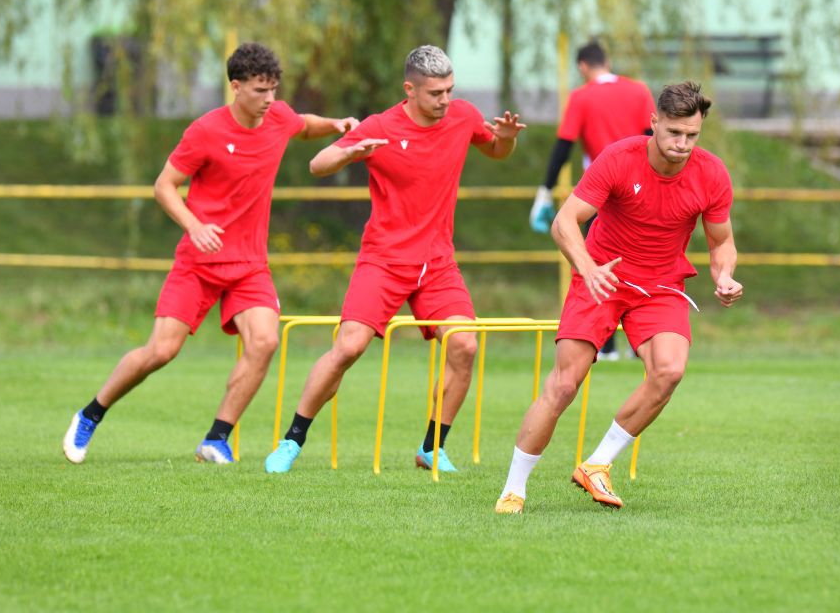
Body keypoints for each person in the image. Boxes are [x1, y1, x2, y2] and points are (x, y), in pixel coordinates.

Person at [62, 42, 359, 465]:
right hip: (199, 264)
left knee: (265, 341)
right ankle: (91, 414)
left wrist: (336, 125)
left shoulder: (277, 117)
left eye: (274, 89)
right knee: (161, 352)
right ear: (235, 87)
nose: (270, 99)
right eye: (260, 90)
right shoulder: (205, 131)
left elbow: (303, 125)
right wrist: (195, 226)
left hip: (249, 265)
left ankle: (216, 439)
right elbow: (164, 186)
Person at [265, 44, 526, 475]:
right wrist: (350, 152)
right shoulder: (380, 126)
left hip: (438, 263)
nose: (445, 100)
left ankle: (432, 447)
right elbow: (317, 163)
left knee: (465, 344)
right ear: (410, 90)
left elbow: (495, 151)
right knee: (348, 347)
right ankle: (292, 440)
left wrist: (508, 141)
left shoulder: (461, 115)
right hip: (384, 261)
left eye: (449, 90)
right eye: (435, 93)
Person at [496, 81, 742, 514]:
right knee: (565, 384)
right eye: (674, 134)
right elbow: (565, 222)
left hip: (662, 285)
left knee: (669, 371)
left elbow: (721, 241)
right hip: (602, 277)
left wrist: (724, 275)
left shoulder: (712, 173)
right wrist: (587, 268)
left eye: (692, 135)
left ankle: (597, 464)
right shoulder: (618, 158)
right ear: (654, 123)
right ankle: (513, 489)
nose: (683, 144)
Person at [529, 40, 655, 359]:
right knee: (645, 261)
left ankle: (607, 346)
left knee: (600, 263)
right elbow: (655, 140)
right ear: (608, 61)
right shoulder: (639, 91)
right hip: (643, 189)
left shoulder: (581, 96)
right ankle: (645, 341)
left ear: (583, 67)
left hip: (603, 192)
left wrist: (545, 190)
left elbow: (564, 146)